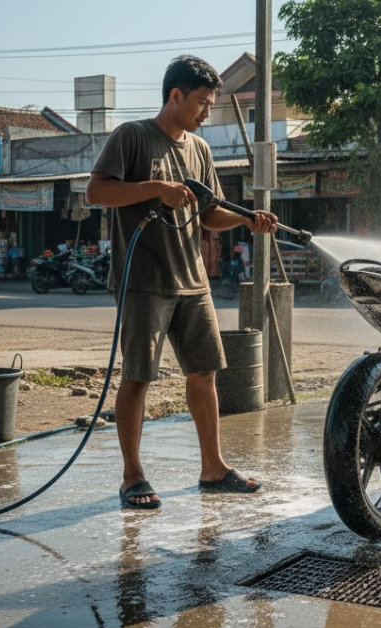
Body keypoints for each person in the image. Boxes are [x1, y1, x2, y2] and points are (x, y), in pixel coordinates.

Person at [86, 55, 278, 510]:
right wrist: (155, 187)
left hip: (192, 280)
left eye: (210, 105)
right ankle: (132, 476)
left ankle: (213, 468)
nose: (207, 113)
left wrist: (248, 220)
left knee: (205, 371)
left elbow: (210, 214)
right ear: (176, 95)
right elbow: (97, 191)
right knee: (138, 376)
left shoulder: (199, 149)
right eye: (202, 103)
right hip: (143, 281)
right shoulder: (132, 136)